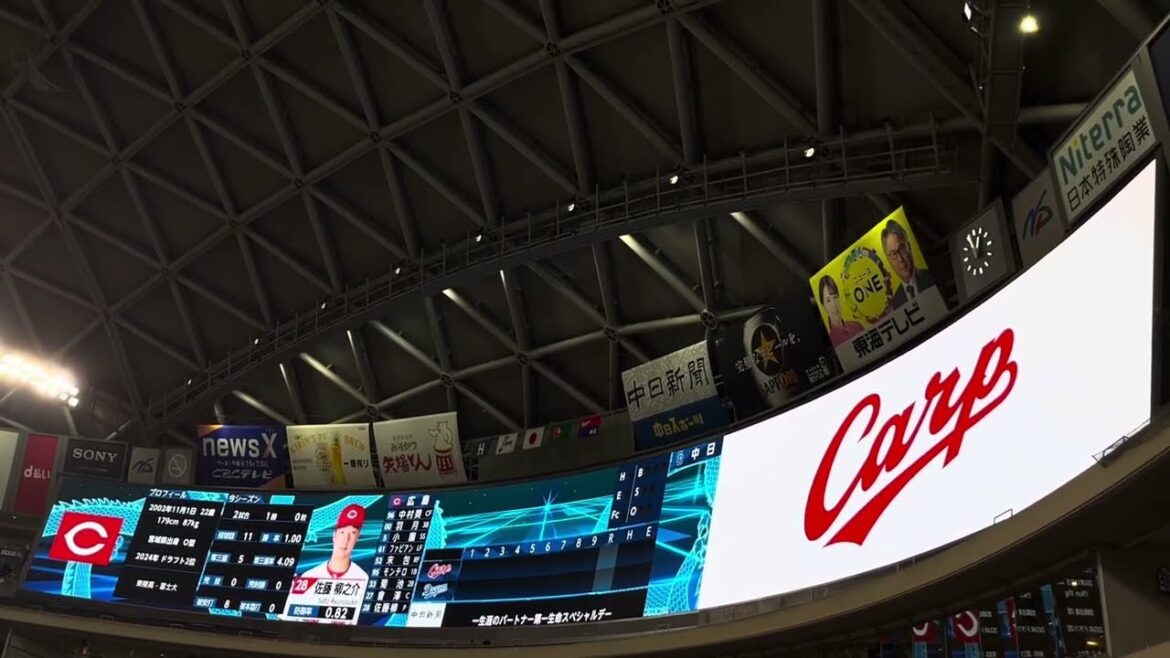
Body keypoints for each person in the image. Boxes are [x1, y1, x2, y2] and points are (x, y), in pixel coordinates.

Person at [300, 503, 368, 581]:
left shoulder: (363, 579)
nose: (346, 539)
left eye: (353, 533)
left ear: (357, 537)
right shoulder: (308, 577)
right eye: (342, 532)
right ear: (334, 535)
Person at [881, 219, 935, 307]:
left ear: (909, 247)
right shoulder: (895, 303)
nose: (900, 259)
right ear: (888, 260)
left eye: (902, 249)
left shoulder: (931, 277)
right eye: (894, 254)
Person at [817, 275, 864, 346]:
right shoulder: (830, 341)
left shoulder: (857, 326)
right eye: (828, 300)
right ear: (823, 305)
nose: (834, 305)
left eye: (835, 297)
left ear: (839, 298)